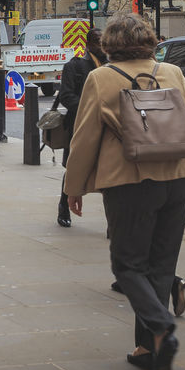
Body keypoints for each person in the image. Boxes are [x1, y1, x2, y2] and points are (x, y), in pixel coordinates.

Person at [64, 14, 185, 370]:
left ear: (109, 45)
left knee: (128, 265)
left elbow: (84, 138)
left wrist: (73, 186)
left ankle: (161, 327)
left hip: (129, 181)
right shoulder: (171, 71)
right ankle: (148, 349)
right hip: (177, 178)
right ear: (149, 41)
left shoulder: (101, 78)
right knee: (160, 268)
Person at [55, 28, 107, 227]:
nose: (101, 46)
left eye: (103, 42)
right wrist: (90, 109)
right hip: (80, 124)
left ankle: (112, 219)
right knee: (73, 167)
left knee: (108, 169)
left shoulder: (110, 66)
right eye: (97, 41)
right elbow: (66, 95)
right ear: (88, 44)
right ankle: (63, 206)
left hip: (105, 125)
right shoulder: (74, 66)